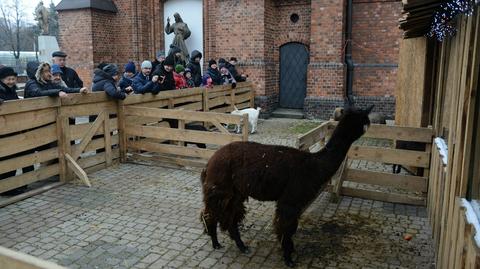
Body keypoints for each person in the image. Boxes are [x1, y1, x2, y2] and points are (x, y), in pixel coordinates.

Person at [0, 66, 34, 195]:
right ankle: (6, 187)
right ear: (2, 79)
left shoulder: (11, 89)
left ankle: (16, 183)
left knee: (16, 156)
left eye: (13, 79)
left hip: (14, 128)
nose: (11, 82)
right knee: (7, 158)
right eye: (8, 79)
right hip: (4, 130)